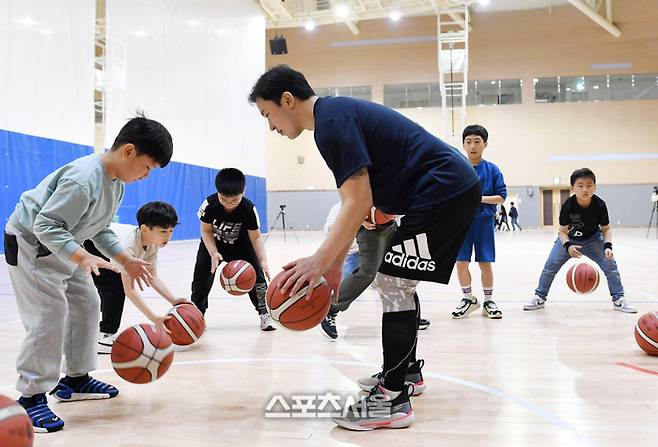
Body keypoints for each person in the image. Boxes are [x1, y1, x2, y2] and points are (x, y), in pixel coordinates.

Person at [249, 65, 480, 430]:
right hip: (442, 188)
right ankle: (405, 375)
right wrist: (334, 266)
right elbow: (354, 204)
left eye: (268, 114)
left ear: (287, 100)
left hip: (444, 188)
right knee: (397, 279)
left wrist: (318, 260)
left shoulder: (332, 123)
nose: (271, 126)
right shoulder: (333, 118)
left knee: (392, 281)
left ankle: (392, 400)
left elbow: (358, 201)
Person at [3, 116, 172, 432]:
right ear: (129, 151)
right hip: (33, 245)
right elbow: (45, 225)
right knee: (48, 317)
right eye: (148, 167)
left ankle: (76, 380)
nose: (147, 175)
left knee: (87, 305)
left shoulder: (116, 183)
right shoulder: (84, 179)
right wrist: (82, 256)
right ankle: (30, 397)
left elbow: (101, 228)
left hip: (65, 245)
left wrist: (125, 259)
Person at [84, 201, 191, 354]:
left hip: (103, 244)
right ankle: (105, 335)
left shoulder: (152, 244)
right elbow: (130, 291)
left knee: (107, 291)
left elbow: (152, 276)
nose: (168, 236)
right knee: (114, 288)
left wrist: (173, 300)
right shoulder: (129, 247)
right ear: (144, 229)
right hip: (90, 244)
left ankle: (95, 330)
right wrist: (153, 317)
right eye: (163, 231)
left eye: (171, 231)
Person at [524, 168, 636, 313]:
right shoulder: (568, 206)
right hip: (569, 239)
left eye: (589, 185)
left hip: (593, 239)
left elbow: (606, 229)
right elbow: (562, 232)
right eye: (580, 185)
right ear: (573, 188)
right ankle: (539, 297)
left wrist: (608, 246)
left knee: (610, 265)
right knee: (550, 266)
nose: (585, 189)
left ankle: (618, 299)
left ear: (595, 187)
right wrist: (568, 246)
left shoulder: (600, 205)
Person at [320, 203, 431, 341]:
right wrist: (358, 219)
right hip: (365, 233)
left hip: (390, 225)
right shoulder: (347, 196)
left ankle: (407, 315)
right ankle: (330, 309)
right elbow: (351, 199)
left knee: (400, 269)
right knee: (367, 273)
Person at [190, 168, 274, 330]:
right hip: (215, 245)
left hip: (242, 247)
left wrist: (262, 260)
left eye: (234, 200)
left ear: (244, 191)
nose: (228, 204)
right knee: (201, 278)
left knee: (258, 279)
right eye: (224, 199)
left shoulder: (249, 209)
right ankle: (197, 315)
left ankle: (264, 314)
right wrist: (213, 253)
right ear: (217, 192)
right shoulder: (209, 204)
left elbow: (256, 237)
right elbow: (205, 230)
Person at [451, 125, 506, 320]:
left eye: (477, 141)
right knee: (460, 262)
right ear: (463, 145)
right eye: (468, 142)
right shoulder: (457, 168)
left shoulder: (492, 169)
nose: (473, 145)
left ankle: (489, 301)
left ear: (485, 144)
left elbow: (501, 197)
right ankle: (468, 299)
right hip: (461, 223)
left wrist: (478, 198)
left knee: (485, 262)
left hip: (483, 223)